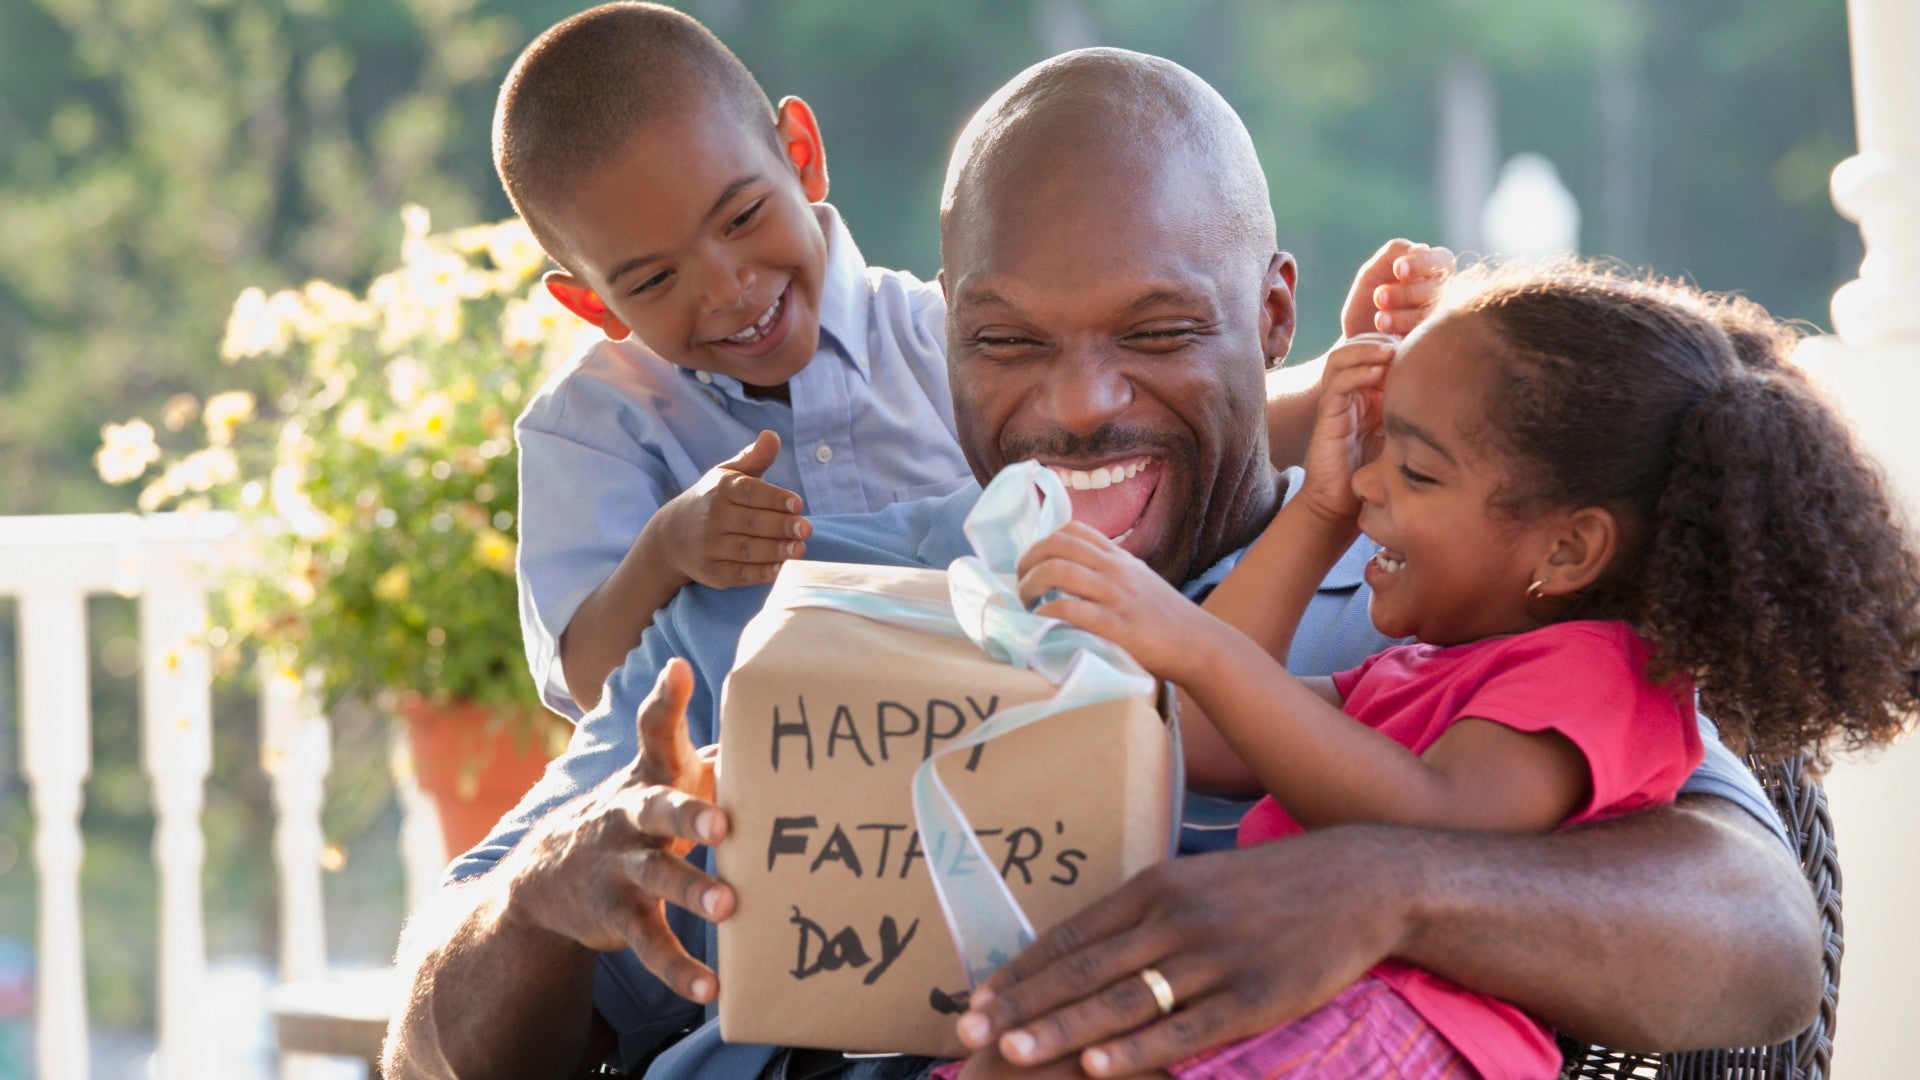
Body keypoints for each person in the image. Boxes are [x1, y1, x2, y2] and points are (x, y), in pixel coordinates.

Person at [382, 49, 1822, 1080]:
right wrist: (548, 900)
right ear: (943, 335)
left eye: (1152, 334)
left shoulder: (1453, 606)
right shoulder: (780, 614)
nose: (1079, 406)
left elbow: (1761, 943)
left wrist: (1380, 886)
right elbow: (426, 1048)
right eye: (1007, 340)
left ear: (1271, 319)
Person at [1005, 264, 1920, 1078]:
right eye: (1377, 456)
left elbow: (1434, 826)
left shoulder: (1597, 677)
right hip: (1308, 1005)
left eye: (1418, 472)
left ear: (1567, 550)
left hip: (1404, 1032)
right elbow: (1204, 734)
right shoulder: (1423, 672)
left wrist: (1196, 643)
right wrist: (1320, 508)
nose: (1370, 485)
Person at [499, 3, 1445, 719]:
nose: (727, 288)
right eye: (655, 277)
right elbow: (590, 686)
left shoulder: (927, 331)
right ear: (592, 304)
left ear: (802, 155)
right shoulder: (600, 428)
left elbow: (1195, 428)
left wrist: (1360, 373)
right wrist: (667, 555)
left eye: (743, 218)